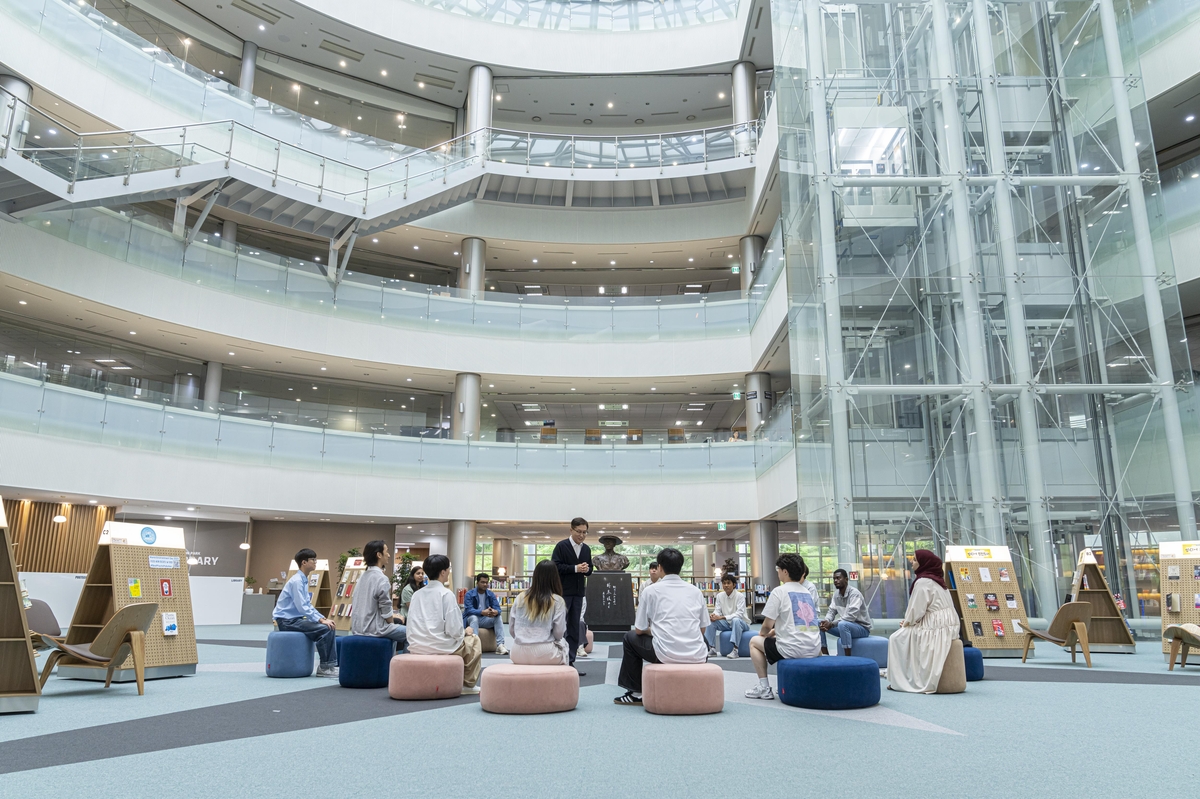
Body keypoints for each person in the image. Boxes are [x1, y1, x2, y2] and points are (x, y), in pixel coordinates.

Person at [614, 547, 708, 706]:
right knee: (701, 638)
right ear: (681, 567)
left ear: (660, 567)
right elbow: (703, 629)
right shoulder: (695, 591)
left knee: (629, 637)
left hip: (665, 653)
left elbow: (639, 629)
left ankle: (636, 692)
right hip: (698, 653)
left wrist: (655, 631)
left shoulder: (650, 591)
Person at [745, 554, 821, 700]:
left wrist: (764, 633)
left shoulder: (779, 591)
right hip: (814, 648)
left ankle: (764, 687)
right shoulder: (807, 592)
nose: (777, 572)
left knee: (754, 642)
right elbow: (800, 624)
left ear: (785, 571)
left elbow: (767, 625)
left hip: (793, 649)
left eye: (778, 569)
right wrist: (775, 632)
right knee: (775, 639)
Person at [406, 554, 482, 694]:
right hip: (440, 646)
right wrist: (466, 632)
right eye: (449, 569)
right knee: (474, 641)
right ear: (442, 572)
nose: (449, 572)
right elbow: (454, 629)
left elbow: (410, 622)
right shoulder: (446, 594)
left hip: (416, 644)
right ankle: (468, 684)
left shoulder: (417, 595)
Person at [888, 550, 959, 694]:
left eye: (914, 559)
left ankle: (900, 680)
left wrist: (907, 623)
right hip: (949, 623)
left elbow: (916, 610)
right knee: (905, 634)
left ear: (923, 563)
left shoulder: (923, 582)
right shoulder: (937, 581)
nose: (912, 562)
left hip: (936, 625)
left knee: (896, 638)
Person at [273, 548, 338, 677]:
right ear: (304, 562)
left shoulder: (303, 580)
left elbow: (308, 605)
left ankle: (329, 666)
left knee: (328, 625)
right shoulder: (297, 581)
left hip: (295, 619)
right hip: (287, 621)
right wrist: (320, 620)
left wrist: (322, 617)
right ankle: (325, 668)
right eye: (313, 560)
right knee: (325, 629)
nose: (316, 562)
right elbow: (302, 607)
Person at [551, 517, 594, 669]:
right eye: (579, 532)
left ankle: (570, 661)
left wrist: (586, 569)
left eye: (585, 532)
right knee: (561, 626)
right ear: (571, 530)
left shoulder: (586, 549)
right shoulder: (562, 546)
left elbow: (590, 569)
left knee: (575, 627)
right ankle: (558, 659)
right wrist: (575, 568)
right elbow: (555, 567)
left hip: (578, 593)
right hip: (563, 593)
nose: (582, 535)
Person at [508, 560, 570, 665]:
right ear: (555, 578)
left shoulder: (520, 597)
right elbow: (558, 634)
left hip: (517, 652)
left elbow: (512, 630)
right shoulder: (557, 600)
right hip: (545, 652)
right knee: (565, 646)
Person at [350, 540, 407, 651]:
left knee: (396, 627)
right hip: (374, 629)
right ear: (379, 554)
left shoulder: (362, 577)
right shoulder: (381, 578)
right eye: (387, 551)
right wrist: (392, 623)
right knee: (412, 635)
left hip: (357, 628)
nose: (389, 555)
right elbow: (385, 608)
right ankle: (404, 667)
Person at [819, 568, 872, 656]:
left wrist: (831, 624)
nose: (836, 581)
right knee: (819, 623)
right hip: (846, 627)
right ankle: (825, 655)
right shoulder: (836, 595)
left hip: (862, 628)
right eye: (834, 579)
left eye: (838, 578)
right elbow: (831, 611)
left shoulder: (855, 594)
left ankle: (847, 658)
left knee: (843, 624)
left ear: (846, 579)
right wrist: (827, 621)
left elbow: (850, 616)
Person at [705, 573, 750, 659]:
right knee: (710, 620)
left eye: (728, 583)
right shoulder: (719, 596)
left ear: (734, 585)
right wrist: (714, 615)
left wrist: (722, 617)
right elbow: (717, 610)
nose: (726, 585)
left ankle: (735, 650)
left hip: (741, 623)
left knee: (736, 620)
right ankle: (712, 648)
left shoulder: (740, 596)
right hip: (727, 623)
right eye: (724, 583)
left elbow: (739, 614)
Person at [463, 573, 509, 656]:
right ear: (477, 583)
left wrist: (495, 612)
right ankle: (475, 645)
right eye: (482, 582)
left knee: (498, 617)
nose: (485, 584)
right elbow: (469, 610)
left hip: (485, 619)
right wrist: (482, 612)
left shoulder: (490, 594)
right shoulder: (469, 594)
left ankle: (500, 645)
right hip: (472, 618)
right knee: (474, 618)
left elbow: (498, 609)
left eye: (486, 582)